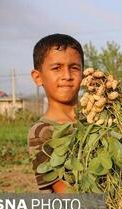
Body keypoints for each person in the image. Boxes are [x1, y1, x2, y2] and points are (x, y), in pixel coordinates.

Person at [27, 33, 84, 193]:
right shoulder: (41, 132)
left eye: (74, 68)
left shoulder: (99, 120)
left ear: (83, 74)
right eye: (56, 68)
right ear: (38, 77)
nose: (67, 76)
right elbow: (65, 192)